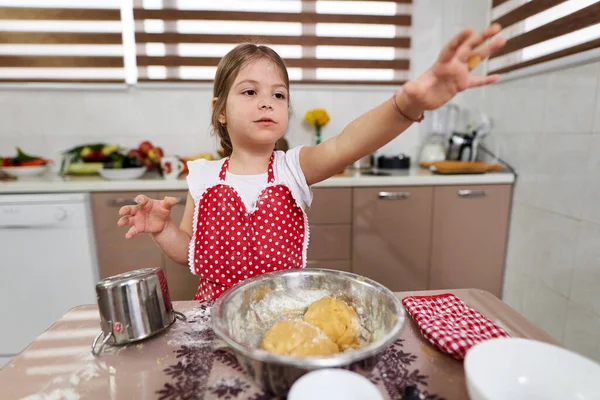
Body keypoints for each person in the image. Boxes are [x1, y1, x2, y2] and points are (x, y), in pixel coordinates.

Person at [118, 24, 506, 301]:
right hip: (215, 316)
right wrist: (163, 228)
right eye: (250, 91)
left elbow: (350, 143)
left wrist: (409, 104)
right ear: (219, 111)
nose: (267, 101)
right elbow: (191, 253)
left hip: (286, 313)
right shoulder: (202, 177)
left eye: (279, 95)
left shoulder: (292, 169)